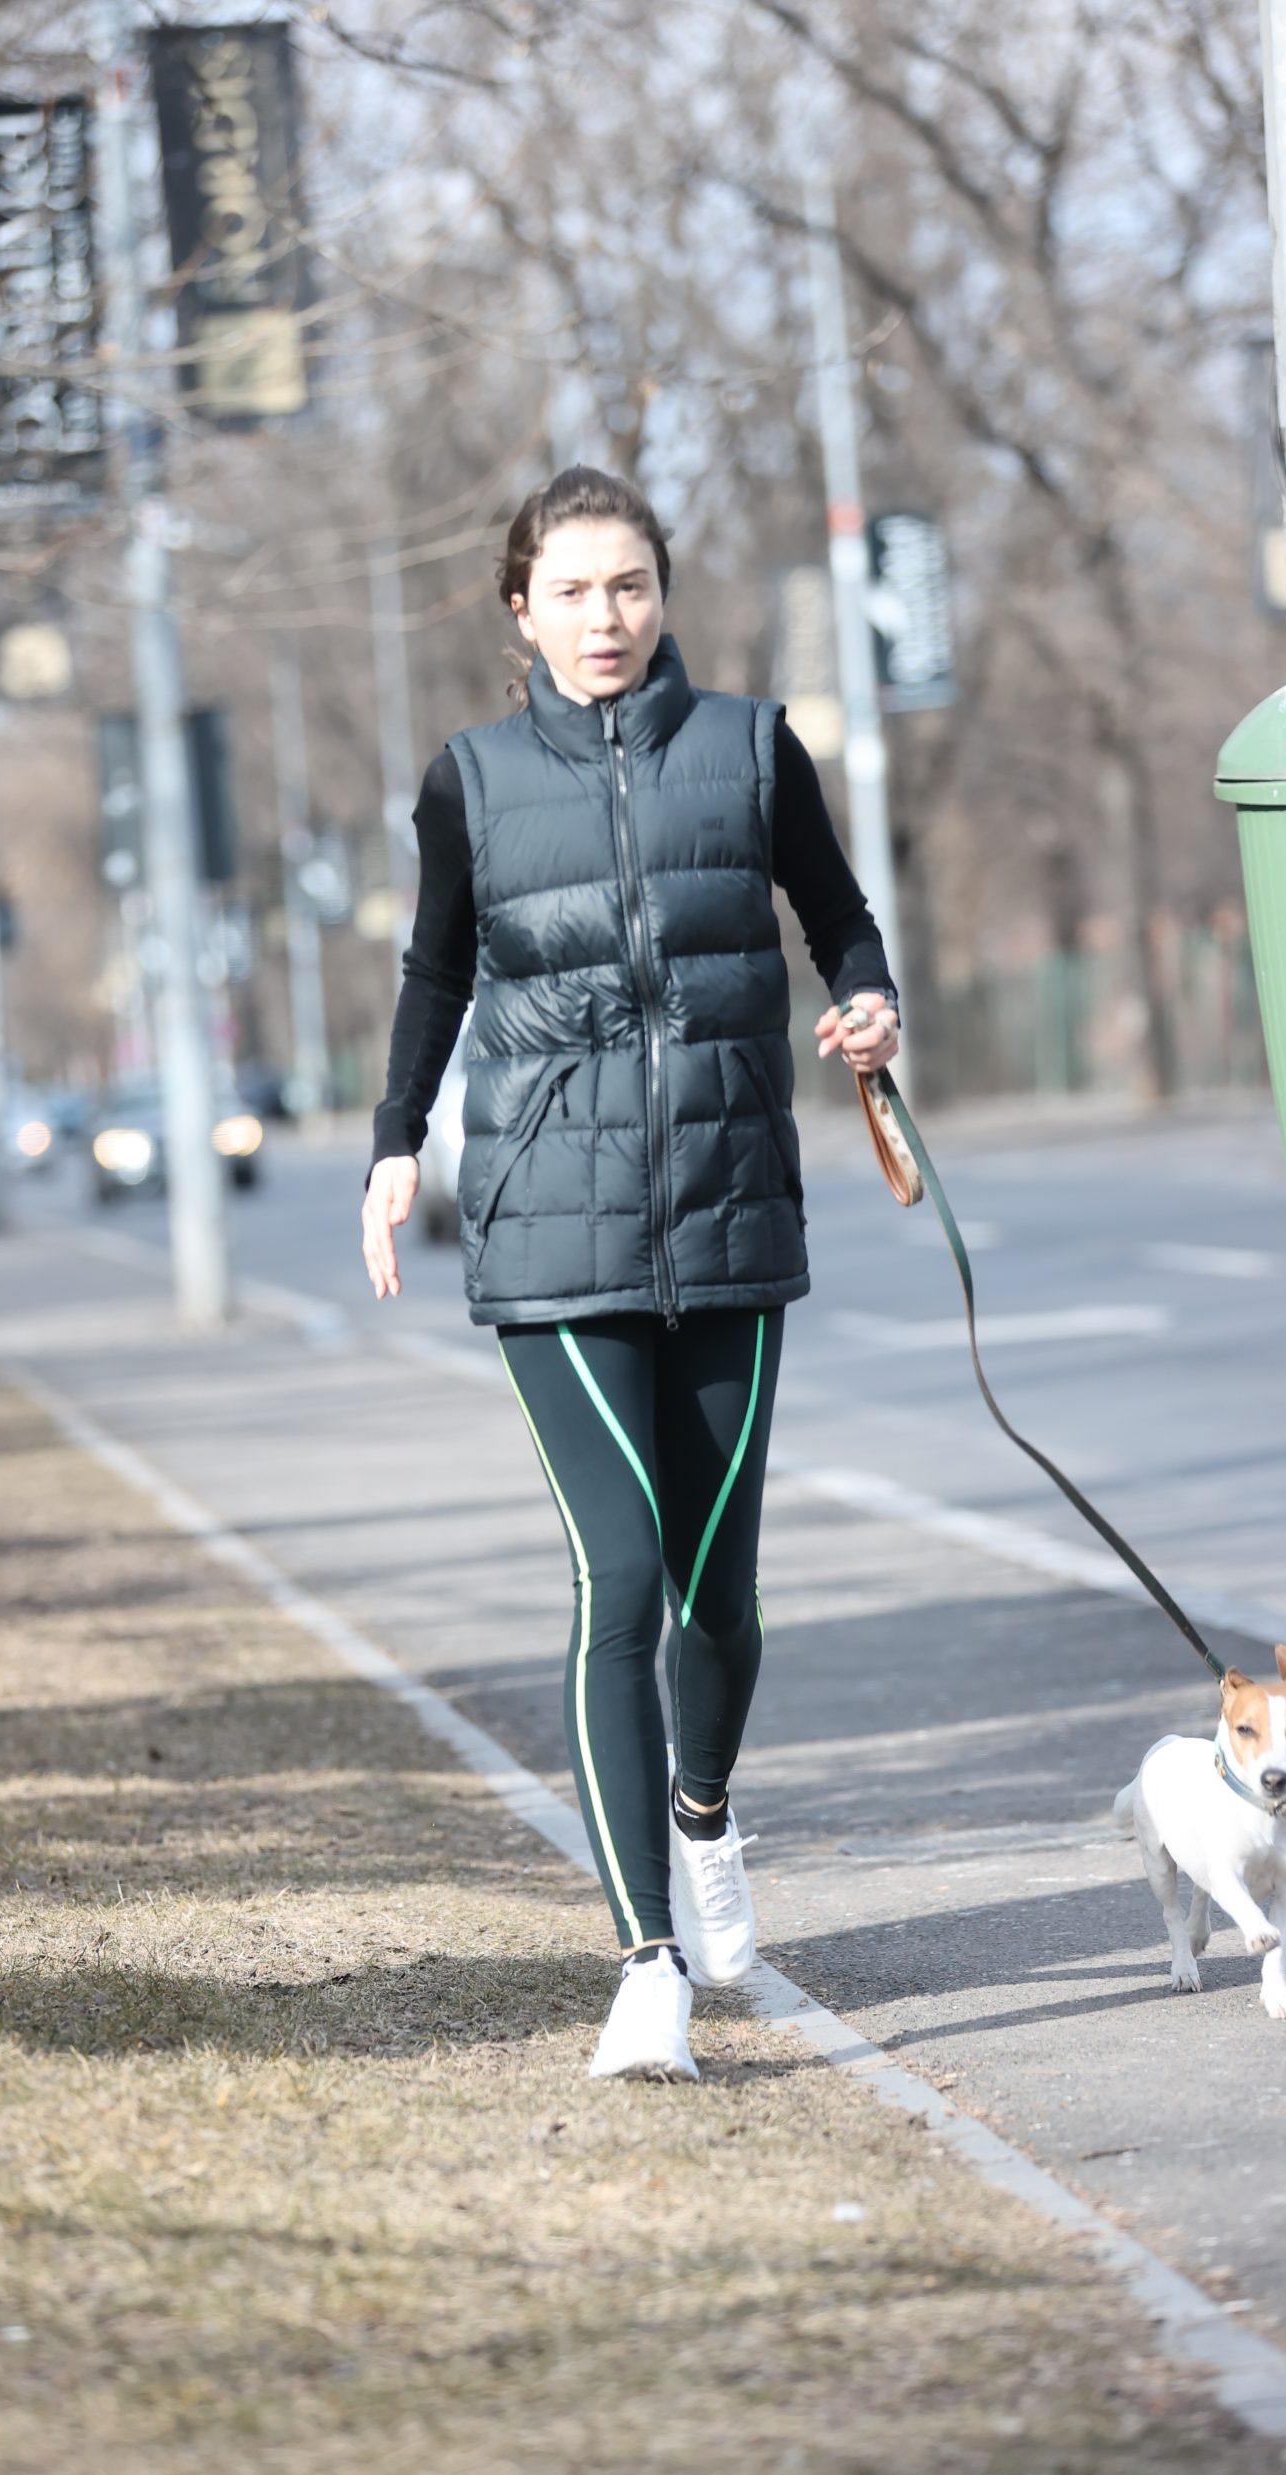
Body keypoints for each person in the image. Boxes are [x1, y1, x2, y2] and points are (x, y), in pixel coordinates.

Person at [362, 466, 900, 2081]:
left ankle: (706, 1814)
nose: (607, 617)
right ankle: (648, 1958)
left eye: (632, 586)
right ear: (519, 611)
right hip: (551, 1227)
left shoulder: (750, 748)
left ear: (663, 597)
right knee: (622, 1576)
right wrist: (395, 1144)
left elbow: (842, 917)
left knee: (721, 1588)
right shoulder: (468, 779)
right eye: (575, 590)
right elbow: (435, 968)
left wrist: (870, 1007)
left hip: (731, 1210)